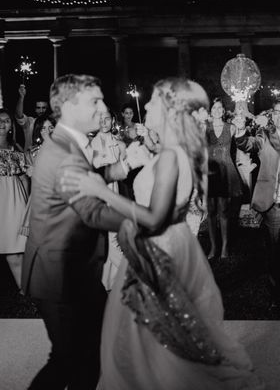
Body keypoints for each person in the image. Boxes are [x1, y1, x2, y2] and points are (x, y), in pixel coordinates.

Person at [61, 77, 263, 390]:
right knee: (158, 332)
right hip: (166, 244)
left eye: (155, 101)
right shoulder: (170, 150)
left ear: (170, 110)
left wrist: (100, 190)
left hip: (160, 248)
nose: (150, 105)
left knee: (157, 331)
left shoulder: (171, 156)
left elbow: (154, 217)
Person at [21, 75, 132, 390]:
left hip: (77, 268)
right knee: (67, 359)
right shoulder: (64, 153)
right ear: (69, 107)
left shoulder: (66, 142)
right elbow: (92, 211)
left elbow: (82, 179)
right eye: (94, 101)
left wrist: (119, 168)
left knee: (90, 354)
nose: (103, 107)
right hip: (60, 274)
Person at [235, 97, 280, 308]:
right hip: (275, 204)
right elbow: (246, 144)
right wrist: (240, 131)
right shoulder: (264, 136)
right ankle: (278, 295)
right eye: (276, 112)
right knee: (276, 251)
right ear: (272, 115)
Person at [91, 109, 128, 291]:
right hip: (98, 198)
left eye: (107, 118)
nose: (104, 122)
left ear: (113, 120)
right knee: (103, 240)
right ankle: (111, 281)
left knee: (114, 238)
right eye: (100, 119)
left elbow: (126, 173)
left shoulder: (120, 145)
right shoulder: (89, 145)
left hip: (116, 196)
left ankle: (125, 278)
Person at [206, 97, 243, 259]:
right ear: (210, 111)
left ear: (223, 110)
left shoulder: (232, 128)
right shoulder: (203, 128)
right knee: (211, 212)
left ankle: (225, 247)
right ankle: (214, 247)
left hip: (226, 172)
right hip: (210, 172)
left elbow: (243, 140)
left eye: (219, 108)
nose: (217, 111)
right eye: (214, 108)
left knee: (223, 211)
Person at [0, 109, 29, 289]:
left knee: (16, 251)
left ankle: (25, 292)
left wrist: (26, 208)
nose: (3, 124)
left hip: (14, 201)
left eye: (7, 121)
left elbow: (24, 179)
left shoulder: (16, 148)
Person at [15, 84, 49, 150]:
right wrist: (21, 97)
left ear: (47, 108)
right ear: (35, 109)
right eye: (38, 108)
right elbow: (19, 115)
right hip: (30, 158)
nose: (41, 111)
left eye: (44, 108)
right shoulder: (30, 122)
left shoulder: (52, 123)